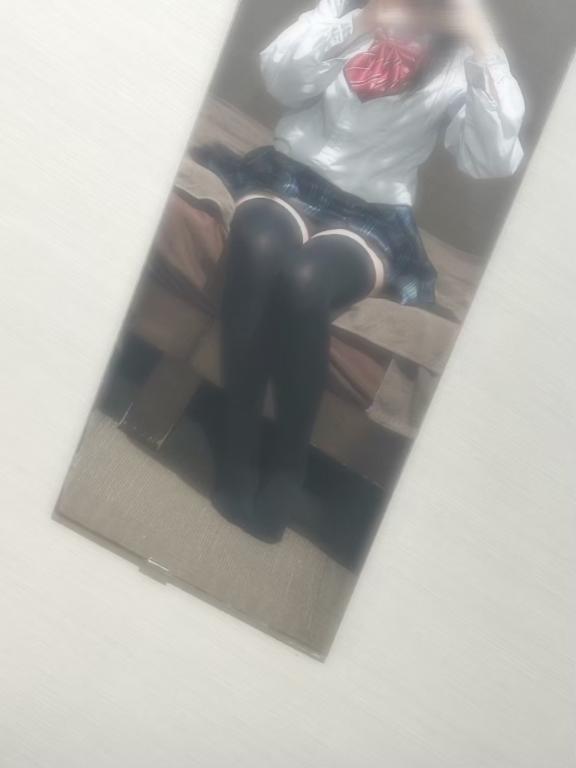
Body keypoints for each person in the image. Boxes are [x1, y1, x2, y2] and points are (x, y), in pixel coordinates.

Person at [197, 0, 525, 543]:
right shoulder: (346, 7)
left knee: (303, 283)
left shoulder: (456, 59)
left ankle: (287, 467)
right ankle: (237, 444)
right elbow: (281, 78)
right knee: (257, 248)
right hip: (288, 177)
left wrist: (482, 43)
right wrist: (361, 22)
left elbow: (489, 160)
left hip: (370, 214)